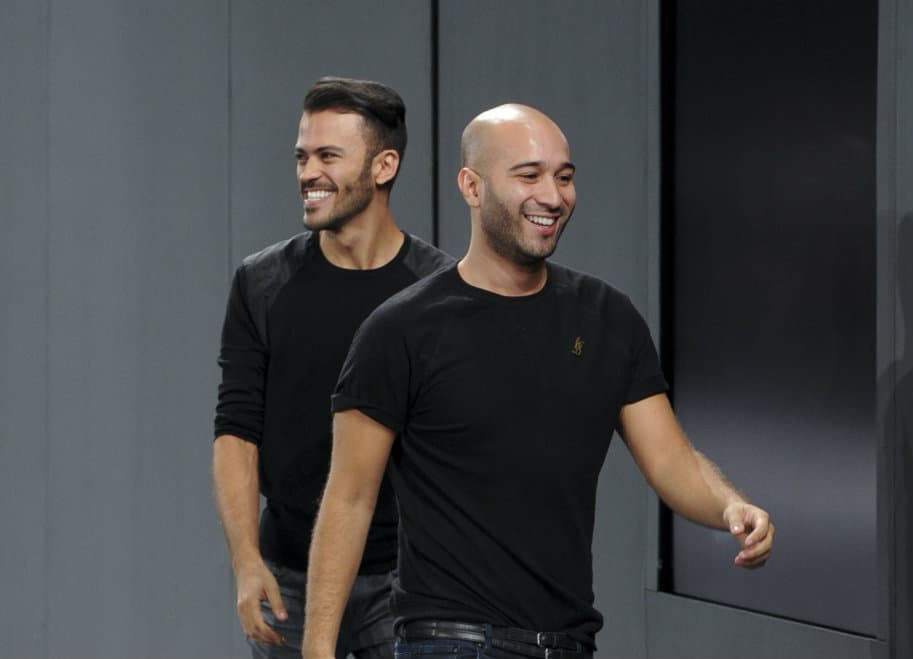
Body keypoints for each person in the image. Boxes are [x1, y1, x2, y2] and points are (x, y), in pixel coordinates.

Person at [301, 103, 775, 659]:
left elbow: (672, 460)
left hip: (569, 643)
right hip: (452, 642)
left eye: (564, 177)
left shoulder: (606, 317)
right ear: (472, 186)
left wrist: (730, 507)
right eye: (528, 176)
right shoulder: (401, 329)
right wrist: (318, 649)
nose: (552, 196)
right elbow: (349, 498)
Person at [213, 77, 453, 659]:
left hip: (405, 582)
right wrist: (246, 562)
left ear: (384, 166)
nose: (308, 173)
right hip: (288, 578)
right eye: (302, 157)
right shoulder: (262, 283)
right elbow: (236, 431)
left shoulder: (440, 290)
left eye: (328, 156)